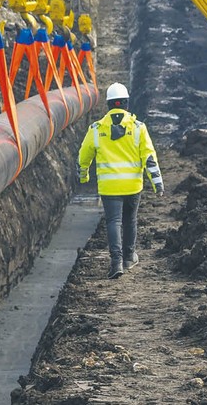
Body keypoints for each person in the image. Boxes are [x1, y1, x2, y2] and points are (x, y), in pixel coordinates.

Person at [77, 82, 164, 279]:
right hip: (133, 186)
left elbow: (83, 156)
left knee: (113, 221)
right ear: (126, 103)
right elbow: (149, 157)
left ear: (108, 105)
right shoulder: (138, 128)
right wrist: (157, 183)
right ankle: (128, 258)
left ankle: (116, 262)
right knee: (130, 220)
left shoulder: (97, 129)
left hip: (109, 188)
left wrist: (83, 176)